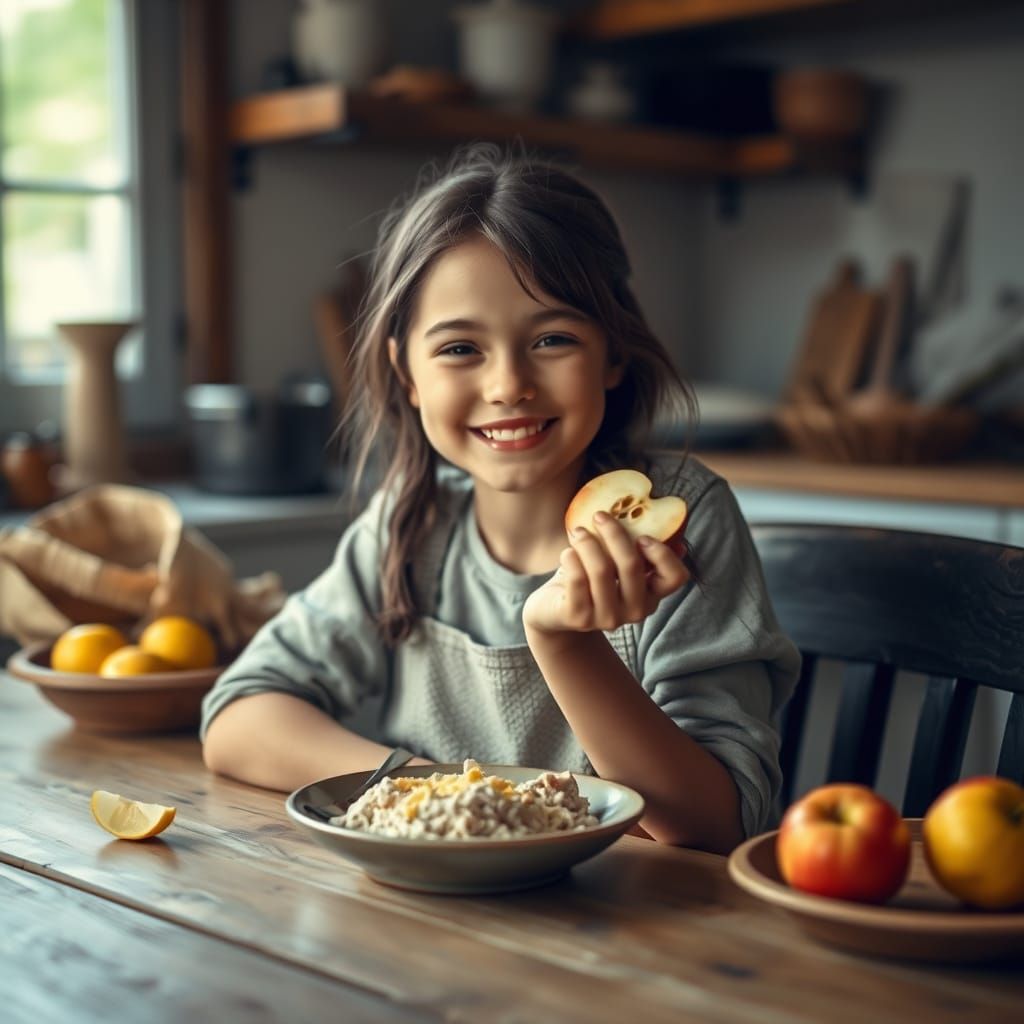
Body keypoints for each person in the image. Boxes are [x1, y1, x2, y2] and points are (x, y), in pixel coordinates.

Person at [201, 144, 800, 853]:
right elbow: (238, 717)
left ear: (612, 355)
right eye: (460, 349)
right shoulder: (408, 524)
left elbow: (715, 823)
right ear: (408, 374)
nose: (508, 384)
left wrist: (564, 641)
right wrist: (435, 789)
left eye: (551, 338)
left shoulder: (682, 520)